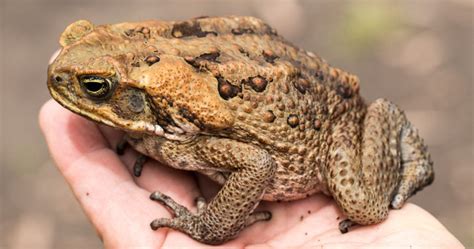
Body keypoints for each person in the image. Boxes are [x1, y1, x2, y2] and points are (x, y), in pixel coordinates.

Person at [39, 99, 464, 248]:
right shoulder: (177, 121)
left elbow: (257, 164)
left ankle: (396, 133)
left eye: (97, 87)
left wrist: (209, 225)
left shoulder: (189, 128)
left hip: (325, 127)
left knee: (365, 205)